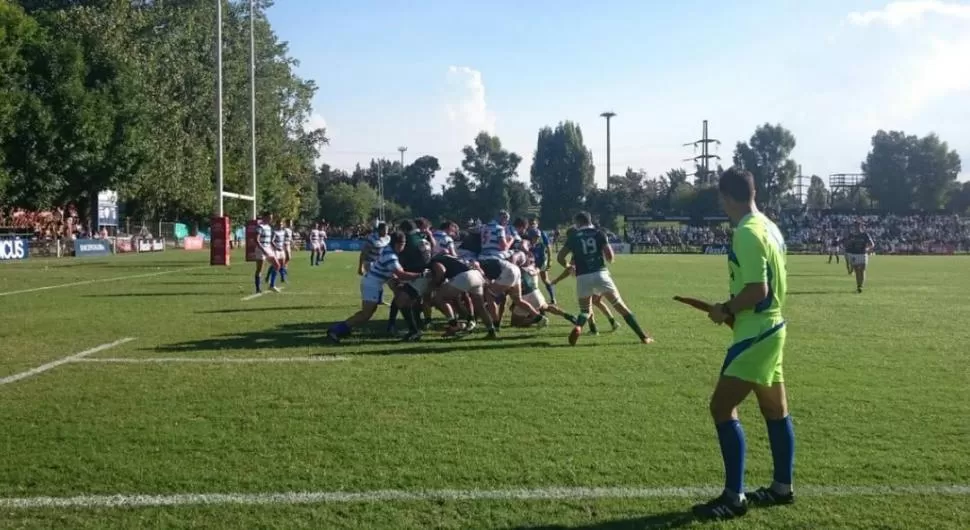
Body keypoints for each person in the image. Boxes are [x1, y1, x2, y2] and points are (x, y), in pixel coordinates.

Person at [691, 168, 794, 521]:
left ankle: (734, 498)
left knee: (721, 408)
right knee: (775, 410)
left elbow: (757, 289)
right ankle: (782, 488)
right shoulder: (769, 226)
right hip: (772, 326)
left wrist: (726, 309)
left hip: (756, 332)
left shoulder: (746, 232)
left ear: (725, 197)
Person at [556, 212, 651, 346]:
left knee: (585, 310)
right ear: (589, 221)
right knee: (620, 306)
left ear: (578, 222)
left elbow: (560, 257)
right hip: (600, 274)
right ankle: (644, 337)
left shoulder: (573, 236)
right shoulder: (599, 233)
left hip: (582, 276)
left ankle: (578, 327)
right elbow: (610, 256)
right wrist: (607, 258)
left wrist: (569, 267)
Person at [328, 232, 426, 343]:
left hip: (374, 283)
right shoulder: (391, 256)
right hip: (371, 284)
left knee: (375, 309)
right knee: (366, 314)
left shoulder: (389, 250)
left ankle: (412, 329)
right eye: (403, 244)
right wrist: (421, 275)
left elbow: (394, 274)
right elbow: (400, 274)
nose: (403, 247)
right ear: (397, 244)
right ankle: (335, 330)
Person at [428, 252, 496, 338]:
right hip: (476, 275)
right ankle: (491, 330)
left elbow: (441, 271)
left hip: (465, 277)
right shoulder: (452, 257)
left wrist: (434, 284)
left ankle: (454, 325)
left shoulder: (435, 260)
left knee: (438, 298)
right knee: (480, 307)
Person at [509, 262, 575, 328]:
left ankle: (538, 319)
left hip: (524, 296)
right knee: (546, 307)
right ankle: (567, 315)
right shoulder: (526, 266)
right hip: (535, 292)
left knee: (514, 323)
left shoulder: (511, 269)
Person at [527, 218, 556, 304]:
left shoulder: (542, 233)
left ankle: (552, 297)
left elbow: (548, 246)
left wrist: (550, 259)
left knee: (545, 279)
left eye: (534, 223)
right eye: (531, 223)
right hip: (531, 260)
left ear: (537, 224)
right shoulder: (527, 233)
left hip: (541, 259)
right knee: (530, 280)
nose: (532, 225)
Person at [253, 213, 280, 293]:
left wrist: (273, 246)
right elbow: (256, 240)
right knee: (259, 269)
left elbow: (269, 240)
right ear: (264, 217)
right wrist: (262, 249)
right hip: (260, 249)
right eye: (269, 218)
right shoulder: (260, 227)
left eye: (271, 218)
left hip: (268, 248)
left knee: (277, 265)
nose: (270, 220)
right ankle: (258, 288)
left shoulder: (269, 227)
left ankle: (271, 285)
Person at [844, 223, 875, 293]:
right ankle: (859, 286)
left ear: (861, 227)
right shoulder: (851, 235)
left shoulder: (865, 235)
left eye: (858, 226)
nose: (856, 228)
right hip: (854, 255)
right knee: (857, 271)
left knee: (862, 270)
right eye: (855, 226)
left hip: (863, 254)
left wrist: (867, 249)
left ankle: (861, 286)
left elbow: (872, 244)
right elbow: (847, 244)